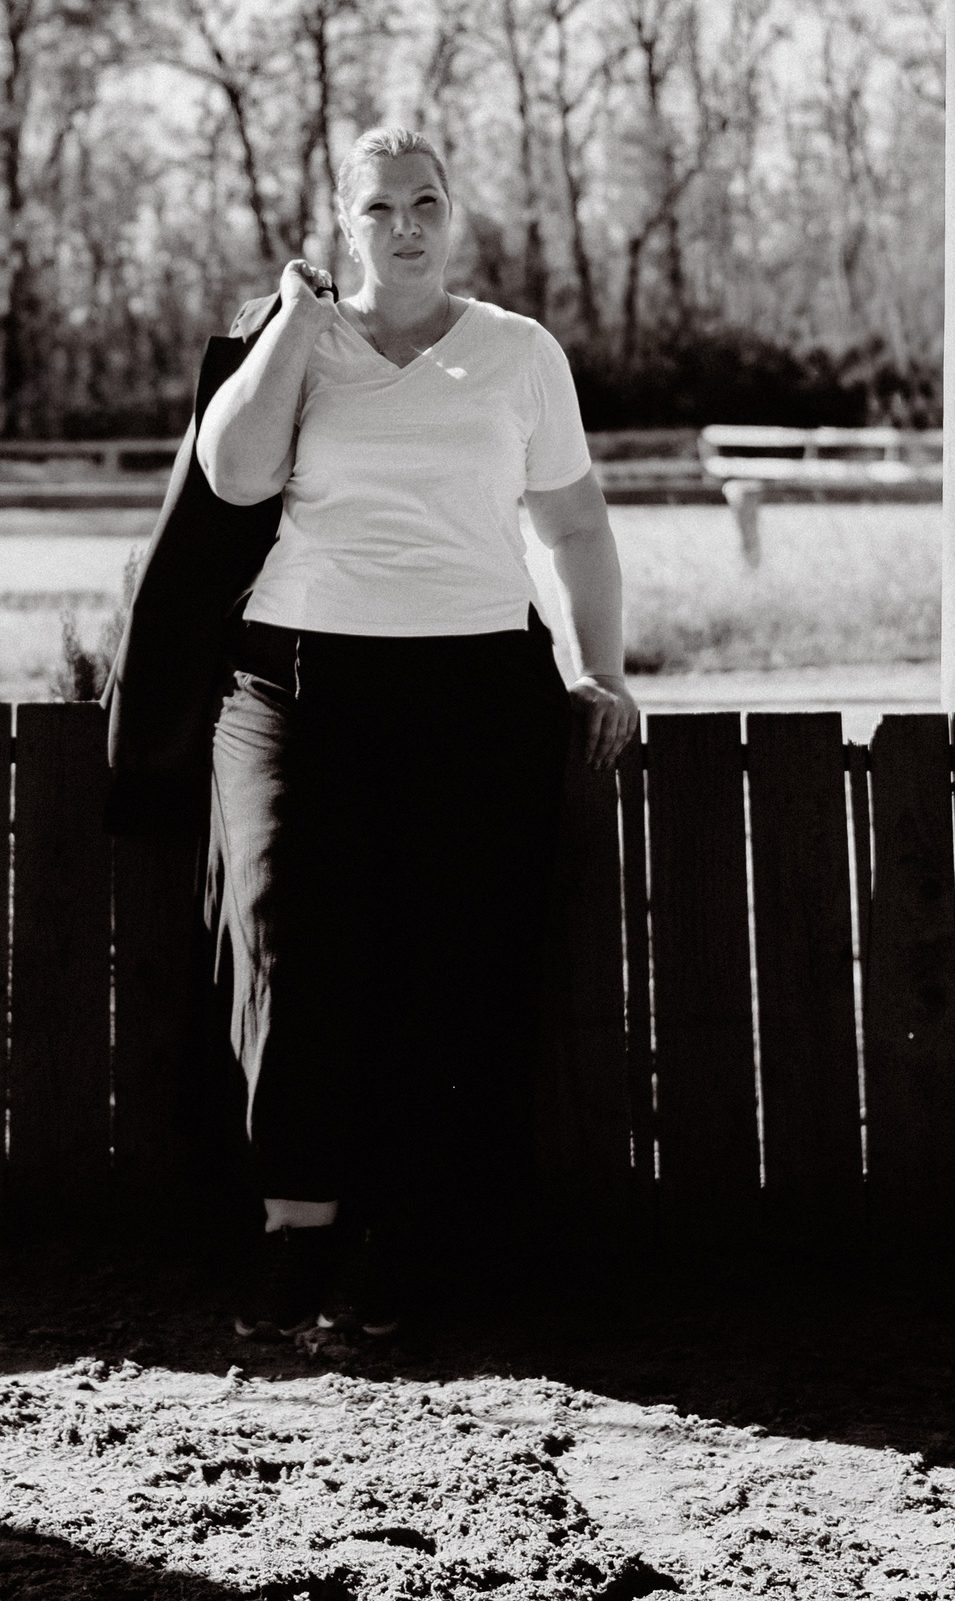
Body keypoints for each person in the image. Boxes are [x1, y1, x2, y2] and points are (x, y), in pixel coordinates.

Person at [196, 123, 639, 1341]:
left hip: (478, 691)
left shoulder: (517, 352)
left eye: (426, 201)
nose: (406, 224)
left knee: (449, 966)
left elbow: (578, 526)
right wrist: (292, 320)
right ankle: (297, 1240)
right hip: (294, 686)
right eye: (381, 205)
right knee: (290, 934)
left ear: (455, 216)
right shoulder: (302, 342)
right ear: (346, 223)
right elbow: (232, 474)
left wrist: (599, 667)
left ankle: (412, 1247)